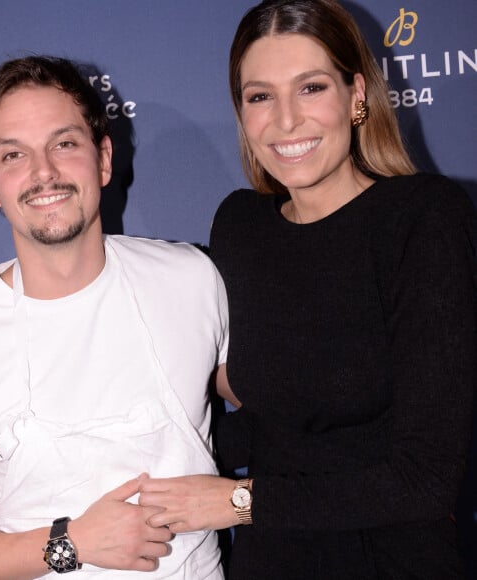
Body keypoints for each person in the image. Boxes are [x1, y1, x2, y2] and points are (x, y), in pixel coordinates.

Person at [138, 0, 477, 578]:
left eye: (311, 87)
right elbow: (276, 420)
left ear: (357, 94)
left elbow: (425, 480)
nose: (286, 120)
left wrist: (236, 501)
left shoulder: (424, 219)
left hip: (391, 559)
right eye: (260, 96)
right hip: (270, 560)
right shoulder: (241, 226)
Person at [0, 56, 229, 579]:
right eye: (13, 155)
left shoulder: (192, 280)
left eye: (64, 144)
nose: (43, 172)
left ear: (103, 158)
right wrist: (71, 542)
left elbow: (285, 411)